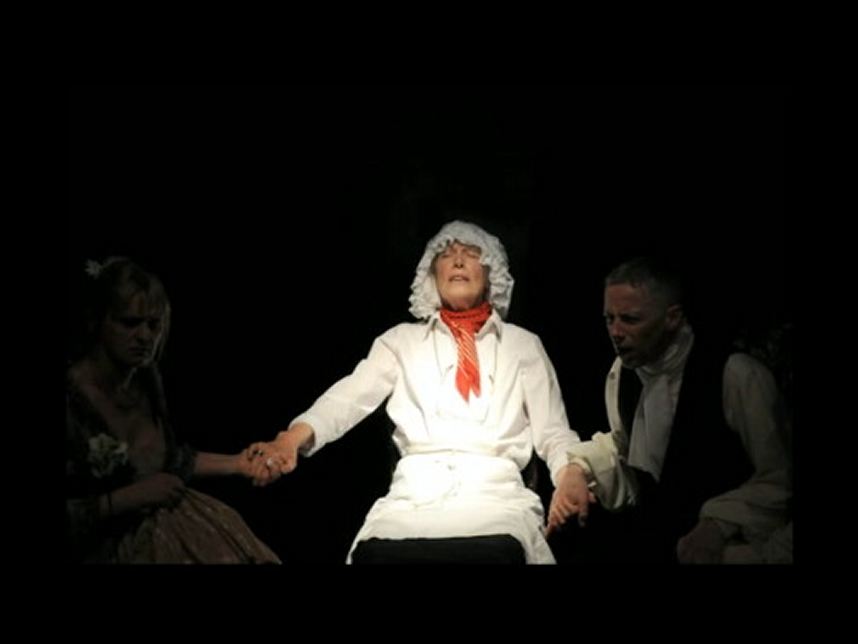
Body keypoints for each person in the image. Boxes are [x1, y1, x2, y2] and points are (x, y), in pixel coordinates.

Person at [246, 220, 585, 563]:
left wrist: (571, 473)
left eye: (470, 253)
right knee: (374, 552)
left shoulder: (522, 345)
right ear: (431, 274)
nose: (457, 260)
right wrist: (291, 439)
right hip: (412, 500)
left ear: (490, 272)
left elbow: (553, 432)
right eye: (446, 254)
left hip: (497, 499)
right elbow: (346, 399)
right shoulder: (400, 342)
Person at [551, 256, 792, 563]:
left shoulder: (735, 375)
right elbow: (627, 448)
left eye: (630, 319)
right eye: (609, 319)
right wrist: (578, 470)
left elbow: (779, 478)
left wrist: (719, 524)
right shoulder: (623, 373)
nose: (616, 331)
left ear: (672, 318)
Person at [66, 257, 281, 563]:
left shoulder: (145, 380)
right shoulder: (73, 399)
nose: (144, 336)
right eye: (129, 322)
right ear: (98, 320)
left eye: (153, 325)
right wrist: (123, 500)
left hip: (177, 524)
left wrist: (238, 463)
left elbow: (170, 460)